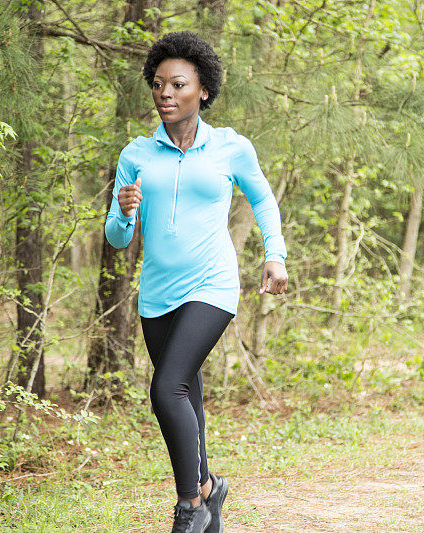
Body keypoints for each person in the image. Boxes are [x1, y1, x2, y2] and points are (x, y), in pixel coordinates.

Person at [103, 31, 289, 533]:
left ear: (202, 90)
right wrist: (124, 213)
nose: (165, 93)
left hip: (213, 284)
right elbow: (119, 238)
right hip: (158, 294)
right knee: (188, 393)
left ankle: (190, 506)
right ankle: (211, 487)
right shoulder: (137, 154)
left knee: (166, 388)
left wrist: (276, 256)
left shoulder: (230, 147)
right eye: (158, 84)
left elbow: (264, 200)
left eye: (177, 84)